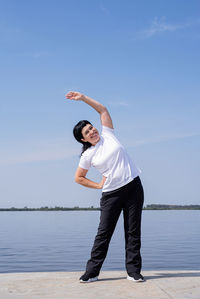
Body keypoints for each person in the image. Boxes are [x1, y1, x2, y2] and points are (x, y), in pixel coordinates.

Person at [65, 91, 144, 283]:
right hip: (111, 195)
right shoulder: (88, 155)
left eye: (91, 127)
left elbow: (102, 110)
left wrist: (82, 98)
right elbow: (79, 178)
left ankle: (133, 271)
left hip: (133, 187)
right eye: (87, 132)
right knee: (103, 234)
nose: (92, 131)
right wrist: (98, 184)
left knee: (133, 231)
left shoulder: (108, 134)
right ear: (83, 139)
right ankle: (92, 272)